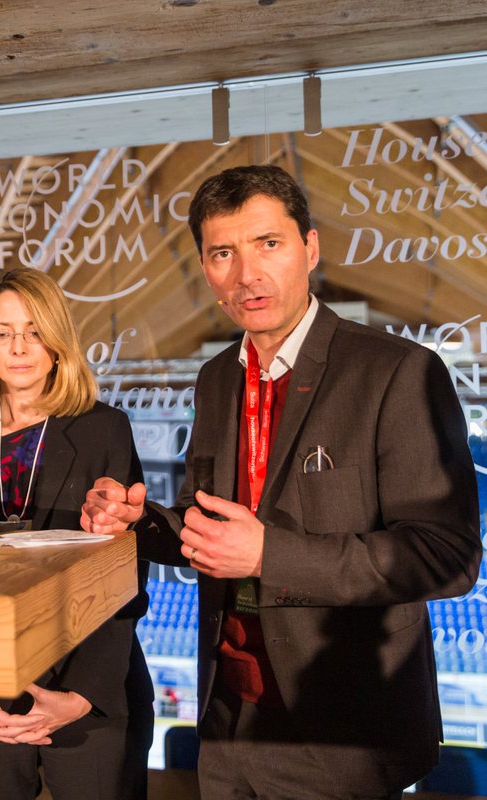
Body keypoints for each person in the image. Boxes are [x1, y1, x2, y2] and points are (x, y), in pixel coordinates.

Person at [82, 164, 482, 799]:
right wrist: (143, 523)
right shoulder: (217, 378)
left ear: (310, 248)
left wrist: (270, 555)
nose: (247, 273)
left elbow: (446, 556)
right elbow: (206, 525)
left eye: (268, 243)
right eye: (223, 253)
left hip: (340, 734)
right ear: (206, 269)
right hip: (228, 724)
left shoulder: (397, 372)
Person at [0, 268, 154, 800]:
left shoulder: (103, 428)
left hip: (88, 683)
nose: (19, 347)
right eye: (2, 333)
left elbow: (125, 572)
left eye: (33, 331)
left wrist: (81, 694)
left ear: (57, 342)